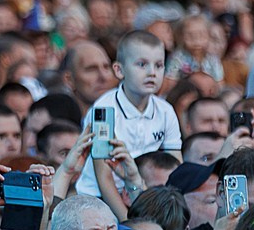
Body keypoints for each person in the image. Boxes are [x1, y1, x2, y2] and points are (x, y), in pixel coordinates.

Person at [73, 30, 181, 196]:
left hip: (144, 193)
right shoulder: (103, 109)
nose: (152, 72)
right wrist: (127, 220)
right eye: (142, 64)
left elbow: (176, 167)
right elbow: (105, 180)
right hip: (99, 197)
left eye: (158, 65)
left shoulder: (166, 111)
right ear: (119, 70)